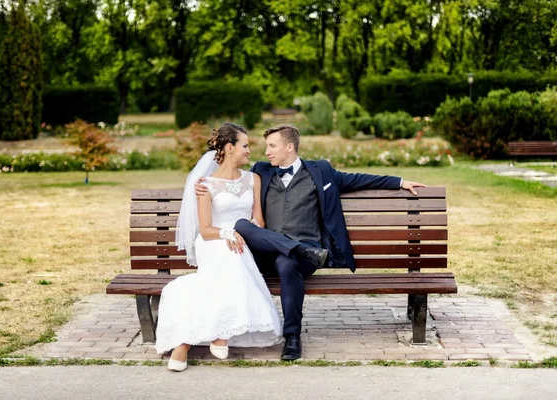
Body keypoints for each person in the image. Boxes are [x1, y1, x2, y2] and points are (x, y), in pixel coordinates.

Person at [196, 124, 426, 361]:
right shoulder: (260, 172)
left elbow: (358, 179)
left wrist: (399, 182)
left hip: (302, 254)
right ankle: (301, 251)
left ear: (289, 147)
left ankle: (292, 337)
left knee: (289, 263)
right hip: (268, 252)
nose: (266, 152)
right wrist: (203, 185)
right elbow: (229, 177)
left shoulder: (321, 171)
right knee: (242, 225)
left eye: (272, 146)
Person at [155, 123, 282, 372]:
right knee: (230, 257)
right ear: (229, 147)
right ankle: (216, 335)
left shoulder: (253, 179)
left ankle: (185, 344)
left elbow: (259, 220)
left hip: (242, 241)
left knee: (231, 259)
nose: (249, 151)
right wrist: (227, 233)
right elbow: (205, 229)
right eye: (244, 145)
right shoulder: (206, 184)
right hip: (213, 242)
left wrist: (243, 231)